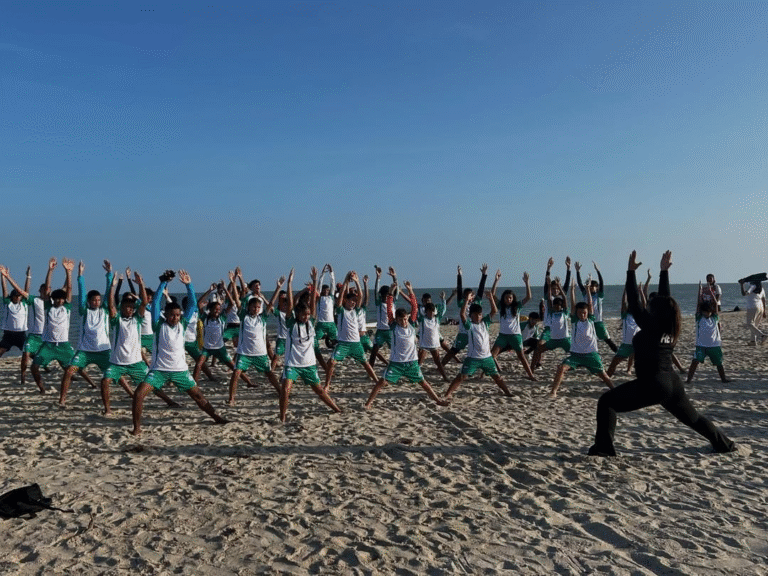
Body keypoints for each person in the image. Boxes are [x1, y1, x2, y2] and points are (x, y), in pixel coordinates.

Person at [588, 251, 736, 457]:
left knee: (606, 402)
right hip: (672, 383)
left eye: (650, 306)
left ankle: (604, 448)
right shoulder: (670, 325)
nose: (647, 307)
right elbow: (665, 300)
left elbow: (634, 301)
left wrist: (630, 272)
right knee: (694, 419)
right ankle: (725, 445)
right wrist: (664, 271)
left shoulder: (651, 325)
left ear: (654, 312)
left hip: (652, 384)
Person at [130, 270, 227, 436]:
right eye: (171, 315)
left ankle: (216, 417)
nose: (175, 318)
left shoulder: (182, 324)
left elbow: (192, 305)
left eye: (177, 315)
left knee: (198, 396)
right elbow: (157, 302)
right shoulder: (158, 325)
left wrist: (189, 285)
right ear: (165, 315)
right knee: (139, 395)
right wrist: (163, 283)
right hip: (159, 370)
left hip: (180, 370)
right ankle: (137, 428)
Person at [100, 271, 178, 414]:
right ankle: (108, 409)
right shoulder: (116, 320)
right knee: (105, 381)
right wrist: (112, 287)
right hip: (116, 362)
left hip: (136, 362)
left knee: (151, 384)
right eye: (127, 306)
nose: (130, 308)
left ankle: (169, 401)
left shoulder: (137, 319)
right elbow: (111, 305)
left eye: (132, 306)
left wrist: (141, 284)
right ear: (122, 307)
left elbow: (144, 302)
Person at [365, 280, 449, 408]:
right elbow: (389, 309)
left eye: (405, 319)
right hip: (396, 363)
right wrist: (390, 293)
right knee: (381, 382)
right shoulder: (393, 327)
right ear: (396, 319)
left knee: (424, 383)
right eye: (400, 319)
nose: (404, 321)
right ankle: (368, 403)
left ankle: (438, 400)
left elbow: (414, 307)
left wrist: (410, 290)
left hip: (412, 363)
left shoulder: (411, 324)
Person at [279, 267, 342, 421]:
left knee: (319, 391)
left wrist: (315, 282)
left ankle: (337, 409)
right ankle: (282, 417)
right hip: (292, 364)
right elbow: (291, 304)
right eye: (303, 314)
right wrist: (289, 283)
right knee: (285, 390)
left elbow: (314, 302)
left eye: (308, 314)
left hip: (308, 364)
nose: (306, 316)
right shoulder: (291, 323)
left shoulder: (312, 322)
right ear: (297, 314)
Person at [59, 260, 114, 406]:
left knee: (116, 375)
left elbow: (109, 292)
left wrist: (109, 274)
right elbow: (82, 292)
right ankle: (62, 400)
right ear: (89, 301)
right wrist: (80, 275)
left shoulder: (105, 310)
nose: (97, 302)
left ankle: (131, 395)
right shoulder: (84, 311)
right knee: (69, 371)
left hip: (103, 350)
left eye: (98, 300)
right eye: (94, 300)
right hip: (84, 351)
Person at [549, 277, 614, 397]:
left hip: (591, 354)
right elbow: (573, 305)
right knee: (561, 368)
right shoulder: (574, 321)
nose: (582, 314)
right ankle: (553, 392)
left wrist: (588, 289)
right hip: (576, 355)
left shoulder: (591, 319)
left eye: (584, 312)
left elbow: (590, 304)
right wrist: (572, 290)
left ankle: (615, 391)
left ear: (587, 312)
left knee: (603, 375)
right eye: (579, 313)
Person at [443, 291, 513, 401]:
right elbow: (462, 314)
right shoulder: (469, 325)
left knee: (497, 377)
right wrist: (466, 300)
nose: (478, 316)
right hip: (473, 358)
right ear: (471, 315)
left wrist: (490, 298)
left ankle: (508, 393)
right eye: (475, 314)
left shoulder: (485, 322)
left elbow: (494, 311)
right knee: (461, 376)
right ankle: (447, 394)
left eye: (480, 314)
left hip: (487, 358)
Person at [226, 272, 282, 405]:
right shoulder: (243, 315)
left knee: (269, 374)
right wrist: (233, 283)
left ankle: (281, 392)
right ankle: (231, 398)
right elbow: (238, 302)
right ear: (249, 307)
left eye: (258, 307)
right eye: (254, 307)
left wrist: (278, 288)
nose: (256, 309)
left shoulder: (262, 318)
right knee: (236, 373)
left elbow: (271, 303)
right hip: (244, 352)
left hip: (260, 353)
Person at [30, 258, 80, 394]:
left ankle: (65, 394)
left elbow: (69, 288)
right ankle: (42, 389)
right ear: (53, 299)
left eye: (61, 298)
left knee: (74, 368)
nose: (59, 300)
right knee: (34, 367)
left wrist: (68, 272)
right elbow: (47, 288)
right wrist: (50, 270)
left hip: (63, 345)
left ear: (64, 300)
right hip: (48, 345)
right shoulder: (48, 307)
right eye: (57, 298)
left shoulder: (67, 308)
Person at [323, 271, 379, 392]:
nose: (353, 302)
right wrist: (346, 281)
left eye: (354, 301)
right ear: (346, 301)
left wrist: (358, 282)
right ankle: (327, 384)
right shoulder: (341, 310)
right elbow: (341, 297)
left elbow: (362, 297)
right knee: (332, 362)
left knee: (365, 363)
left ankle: (376, 381)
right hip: (343, 343)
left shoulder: (356, 311)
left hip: (356, 343)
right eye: (351, 300)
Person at [490, 271, 536, 381]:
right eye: (506, 298)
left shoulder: (517, 307)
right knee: (492, 355)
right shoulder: (501, 306)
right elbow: (492, 295)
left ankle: (531, 375)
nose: (508, 300)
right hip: (503, 336)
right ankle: (495, 373)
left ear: (513, 298)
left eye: (510, 298)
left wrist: (527, 282)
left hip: (515, 336)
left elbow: (529, 297)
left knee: (521, 357)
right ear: (504, 298)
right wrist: (496, 280)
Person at [686, 283, 731, 384]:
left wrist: (711, 292)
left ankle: (723, 379)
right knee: (695, 362)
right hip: (701, 345)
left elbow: (715, 304)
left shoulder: (714, 318)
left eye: (708, 312)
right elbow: (698, 304)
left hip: (714, 345)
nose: (706, 313)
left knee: (719, 363)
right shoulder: (699, 318)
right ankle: (688, 379)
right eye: (704, 312)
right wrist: (700, 291)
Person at [575, 260, 618, 352]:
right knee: (588, 340)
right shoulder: (585, 294)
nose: (591, 287)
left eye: (594, 286)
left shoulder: (599, 295)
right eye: (590, 286)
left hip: (598, 321)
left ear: (596, 287)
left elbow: (601, 282)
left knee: (608, 340)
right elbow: (579, 283)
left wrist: (598, 271)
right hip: (588, 321)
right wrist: (577, 271)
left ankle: (618, 352)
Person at [0, 265, 32, 378]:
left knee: (31, 354)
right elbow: (4, 290)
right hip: (8, 334)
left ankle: (24, 373)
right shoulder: (7, 303)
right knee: (1, 351)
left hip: (21, 334)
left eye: (19, 296)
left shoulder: (24, 304)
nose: (18, 297)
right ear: (12, 297)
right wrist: (3, 276)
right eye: (16, 296)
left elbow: (26, 290)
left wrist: (28, 276)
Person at [606, 286, 641, 377]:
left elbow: (643, 304)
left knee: (643, 362)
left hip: (638, 343)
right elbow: (623, 303)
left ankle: (631, 371)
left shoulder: (640, 316)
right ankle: (607, 377)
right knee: (615, 361)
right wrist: (626, 290)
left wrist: (641, 292)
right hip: (626, 344)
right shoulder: (625, 315)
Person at [369, 265, 399, 367]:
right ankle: (371, 369)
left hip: (391, 331)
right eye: (383, 295)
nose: (384, 297)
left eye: (387, 295)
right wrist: (378, 278)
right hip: (380, 331)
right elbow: (375, 291)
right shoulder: (378, 303)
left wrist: (394, 277)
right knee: (374, 351)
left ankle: (397, 366)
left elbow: (396, 289)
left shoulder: (393, 302)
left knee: (395, 350)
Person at [416, 291, 450, 381]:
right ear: (425, 312)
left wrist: (443, 299)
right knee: (419, 362)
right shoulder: (422, 319)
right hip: (424, 344)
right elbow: (414, 306)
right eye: (429, 311)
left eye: (432, 311)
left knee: (438, 362)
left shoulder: (437, 319)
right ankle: (416, 377)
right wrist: (411, 292)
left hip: (434, 344)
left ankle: (445, 377)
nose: (431, 313)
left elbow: (443, 310)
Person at [740, 278, 766, 345]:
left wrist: (741, 285)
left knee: (749, 324)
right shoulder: (762, 289)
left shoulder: (753, 286)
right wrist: (764, 311)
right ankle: (753, 341)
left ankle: (762, 335)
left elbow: (744, 294)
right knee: (755, 325)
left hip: (753, 306)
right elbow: (763, 300)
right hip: (760, 307)